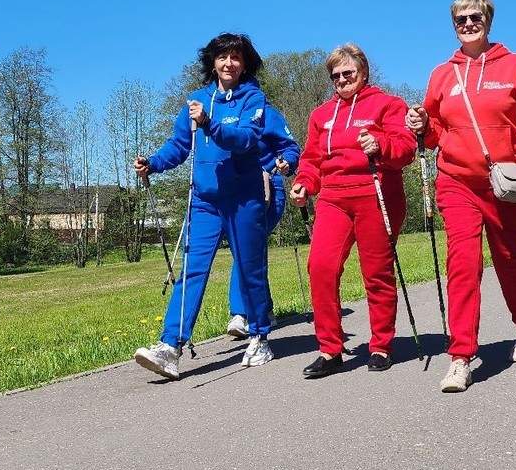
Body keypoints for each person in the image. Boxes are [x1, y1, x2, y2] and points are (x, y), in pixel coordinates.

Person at [406, 0, 516, 393]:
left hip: (505, 181)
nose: (468, 24)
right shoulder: (441, 74)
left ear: (488, 19)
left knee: (509, 258)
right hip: (456, 181)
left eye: (475, 17)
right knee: (463, 264)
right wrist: (419, 124)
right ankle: (461, 356)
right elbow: (432, 133)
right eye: (460, 20)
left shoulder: (515, 65)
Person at [133, 32, 271, 379]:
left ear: (244, 64)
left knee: (249, 269)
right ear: (213, 61)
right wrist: (152, 162)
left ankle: (259, 336)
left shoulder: (252, 97)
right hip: (205, 201)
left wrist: (210, 125)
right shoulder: (196, 100)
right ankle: (170, 347)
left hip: (243, 199)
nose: (229, 64)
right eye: (223, 57)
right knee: (192, 270)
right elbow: (178, 146)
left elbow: (245, 140)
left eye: (236, 58)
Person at [290, 43, 415, 378]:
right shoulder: (320, 115)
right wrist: (304, 182)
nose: (342, 80)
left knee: (376, 272)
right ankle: (330, 350)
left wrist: (381, 144)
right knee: (321, 266)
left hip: (377, 193)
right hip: (334, 197)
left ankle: (380, 345)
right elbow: (313, 160)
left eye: (348, 73)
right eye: (336, 76)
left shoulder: (388, 104)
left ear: (364, 72)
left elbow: (406, 149)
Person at [226, 104, 301, 338]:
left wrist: (286, 163)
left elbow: (290, 147)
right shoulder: (221, 113)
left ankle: (241, 313)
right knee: (250, 249)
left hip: (266, 188)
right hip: (233, 190)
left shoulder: (266, 112)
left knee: (245, 248)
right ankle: (264, 309)